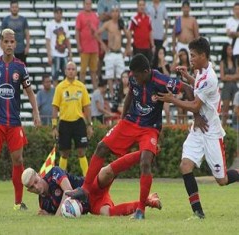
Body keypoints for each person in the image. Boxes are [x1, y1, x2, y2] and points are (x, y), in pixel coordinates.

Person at [67, 53, 197, 220]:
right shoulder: (134, 77)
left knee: (145, 162)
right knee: (101, 147)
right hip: (130, 122)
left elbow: (187, 89)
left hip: (149, 128)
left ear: (146, 71)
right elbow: (130, 95)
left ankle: (141, 210)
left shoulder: (161, 80)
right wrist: (122, 120)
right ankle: (85, 189)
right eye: (132, 75)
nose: (134, 77)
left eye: (137, 75)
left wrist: (194, 112)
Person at [157, 37, 239, 219]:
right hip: (198, 128)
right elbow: (198, 88)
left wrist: (172, 100)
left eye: (193, 55)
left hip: (211, 131)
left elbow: (195, 105)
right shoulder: (202, 72)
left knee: (222, 180)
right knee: (185, 166)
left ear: (203, 55)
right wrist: (188, 77)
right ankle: (198, 213)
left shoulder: (209, 77)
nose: (191, 58)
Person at [0, 28, 41, 211]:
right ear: (1, 43)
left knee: (18, 160)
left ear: (15, 44)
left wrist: (35, 114)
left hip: (14, 122)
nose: (9, 45)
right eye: (6, 42)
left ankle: (18, 202)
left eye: (12, 42)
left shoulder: (20, 66)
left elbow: (29, 92)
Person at [21, 166, 161, 216]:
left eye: (36, 181)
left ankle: (142, 154)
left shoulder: (53, 173)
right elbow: (62, 211)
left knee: (105, 172)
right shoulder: (43, 203)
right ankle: (148, 201)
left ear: (39, 175)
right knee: (108, 213)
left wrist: (56, 217)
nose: (37, 187)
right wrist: (48, 215)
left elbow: (68, 192)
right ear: (29, 191)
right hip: (92, 205)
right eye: (32, 187)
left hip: (90, 187)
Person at [52, 61, 93, 177]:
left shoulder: (81, 86)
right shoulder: (60, 87)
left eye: (73, 69)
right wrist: (54, 126)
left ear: (76, 72)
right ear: (65, 71)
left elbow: (87, 106)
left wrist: (89, 124)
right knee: (64, 153)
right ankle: (59, 178)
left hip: (79, 122)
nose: (71, 71)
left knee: (81, 151)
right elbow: (55, 107)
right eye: (68, 69)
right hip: (64, 123)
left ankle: (87, 178)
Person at [95, 5, 131, 98]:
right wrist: (103, 44)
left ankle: (121, 94)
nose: (115, 13)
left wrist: (126, 50)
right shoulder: (108, 23)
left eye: (117, 11)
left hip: (119, 52)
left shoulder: (121, 23)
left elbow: (128, 36)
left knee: (122, 76)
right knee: (109, 76)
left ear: (119, 13)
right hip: (110, 52)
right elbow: (97, 34)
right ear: (111, 13)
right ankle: (111, 96)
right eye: (113, 11)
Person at [75, 0, 99, 89]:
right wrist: (78, 45)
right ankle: (80, 89)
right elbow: (77, 31)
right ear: (84, 4)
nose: (88, 5)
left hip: (94, 47)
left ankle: (95, 90)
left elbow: (97, 31)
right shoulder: (80, 16)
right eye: (87, 4)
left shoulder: (95, 16)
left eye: (90, 3)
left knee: (94, 70)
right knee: (83, 70)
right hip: (84, 47)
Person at [46, 7, 72, 87]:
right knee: (55, 75)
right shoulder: (50, 25)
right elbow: (48, 41)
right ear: (54, 14)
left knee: (66, 75)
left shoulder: (65, 25)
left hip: (64, 54)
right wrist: (49, 55)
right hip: (55, 53)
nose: (59, 15)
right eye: (57, 13)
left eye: (60, 13)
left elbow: (67, 40)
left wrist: (70, 53)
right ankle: (56, 93)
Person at [1, 0, 30, 64]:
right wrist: (2, 47)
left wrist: (27, 47)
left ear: (18, 8)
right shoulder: (6, 20)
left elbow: (27, 33)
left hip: (21, 48)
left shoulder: (23, 19)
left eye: (16, 7)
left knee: (21, 67)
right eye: (13, 7)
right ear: (10, 8)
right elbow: (2, 35)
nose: (14, 9)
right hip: (9, 48)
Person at [96, 0, 120, 78]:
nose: (113, 13)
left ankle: (114, 81)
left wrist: (107, 15)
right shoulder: (101, 2)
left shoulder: (115, 2)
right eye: (113, 11)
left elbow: (118, 17)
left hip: (113, 37)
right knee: (101, 58)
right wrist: (112, 16)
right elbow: (101, 17)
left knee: (114, 59)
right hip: (103, 36)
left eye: (114, 11)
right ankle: (99, 78)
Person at [220, 43, 239, 127]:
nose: (231, 51)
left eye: (231, 49)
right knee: (225, 111)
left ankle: (236, 129)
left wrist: (228, 76)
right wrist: (233, 77)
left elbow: (238, 76)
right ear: (225, 50)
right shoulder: (223, 62)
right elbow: (222, 77)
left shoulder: (235, 61)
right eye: (229, 49)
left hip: (234, 86)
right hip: (227, 87)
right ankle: (223, 129)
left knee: (236, 109)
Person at [171, 48, 192, 124]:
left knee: (185, 109)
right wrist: (176, 56)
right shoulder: (178, 66)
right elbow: (172, 69)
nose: (183, 56)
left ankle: (185, 126)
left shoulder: (191, 67)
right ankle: (179, 126)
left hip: (187, 90)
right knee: (179, 110)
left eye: (184, 54)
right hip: (179, 90)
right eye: (181, 55)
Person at [152, 47, 171, 124]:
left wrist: (163, 64)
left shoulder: (166, 65)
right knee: (156, 110)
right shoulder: (154, 64)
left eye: (162, 53)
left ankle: (169, 125)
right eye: (160, 53)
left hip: (165, 90)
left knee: (167, 110)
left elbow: (167, 76)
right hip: (156, 89)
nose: (161, 55)